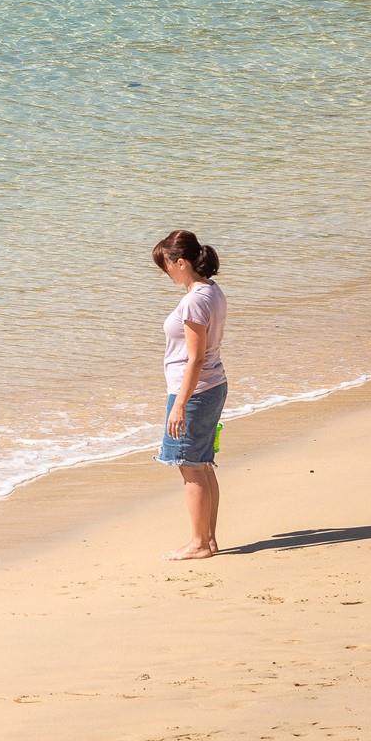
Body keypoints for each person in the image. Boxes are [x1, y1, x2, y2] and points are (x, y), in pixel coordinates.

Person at [152, 229, 229, 560]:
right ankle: (208, 540)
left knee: (191, 467)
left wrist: (180, 405)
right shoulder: (212, 290)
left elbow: (195, 358)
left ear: (180, 262)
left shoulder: (194, 301)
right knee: (203, 465)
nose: (165, 273)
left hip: (195, 391)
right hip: (212, 386)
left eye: (166, 265)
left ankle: (199, 543)